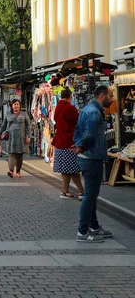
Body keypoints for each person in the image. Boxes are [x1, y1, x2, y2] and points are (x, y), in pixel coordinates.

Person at [72, 85, 114, 243]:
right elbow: (89, 135)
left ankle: (94, 227)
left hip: (86, 157)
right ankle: (82, 232)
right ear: (102, 96)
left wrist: (78, 145)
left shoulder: (86, 109)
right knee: (89, 196)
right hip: (92, 158)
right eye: (111, 95)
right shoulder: (95, 113)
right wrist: (82, 146)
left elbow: (76, 130)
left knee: (92, 195)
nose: (113, 98)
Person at [52, 87, 85, 200]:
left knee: (67, 170)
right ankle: (77, 192)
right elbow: (78, 123)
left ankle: (66, 192)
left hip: (60, 142)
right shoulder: (70, 108)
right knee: (73, 169)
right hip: (69, 142)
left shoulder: (58, 108)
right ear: (70, 97)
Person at [0, 98, 31, 178]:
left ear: (19, 106)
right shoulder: (8, 114)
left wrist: (28, 136)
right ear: (12, 106)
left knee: (19, 155)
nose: (16, 106)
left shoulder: (24, 114)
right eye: (14, 104)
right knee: (11, 154)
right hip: (10, 138)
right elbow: (3, 125)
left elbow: (28, 126)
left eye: (17, 104)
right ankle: (11, 171)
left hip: (21, 137)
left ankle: (18, 171)